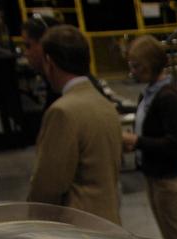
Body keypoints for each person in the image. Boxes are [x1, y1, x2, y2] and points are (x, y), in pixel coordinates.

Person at [26, 25, 122, 225]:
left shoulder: (62, 112)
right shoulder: (104, 104)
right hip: (109, 222)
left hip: (79, 229)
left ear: (49, 62)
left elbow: (48, 185)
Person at [123, 35, 177, 239]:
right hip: (154, 177)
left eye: (137, 67)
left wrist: (137, 141)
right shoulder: (147, 95)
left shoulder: (168, 98)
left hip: (169, 181)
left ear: (150, 65)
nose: (132, 72)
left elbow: (176, 145)